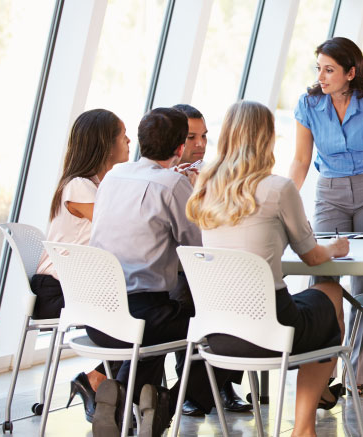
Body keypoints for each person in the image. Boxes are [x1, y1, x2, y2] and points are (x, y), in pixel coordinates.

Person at [187, 100, 350, 437]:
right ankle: (304, 426)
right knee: (330, 293)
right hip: (271, 331)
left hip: (217, 335)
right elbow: (312, 256)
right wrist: (336, 247)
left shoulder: (204, 187)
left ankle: (315, 398)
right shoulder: (278, 188)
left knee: (310, 308)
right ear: (267, 138)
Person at [89, 107, 231, 436]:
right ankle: (166, 400)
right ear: (180, 147)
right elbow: (199, 247)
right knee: (228, 326)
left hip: (97, 316)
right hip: (142, 318)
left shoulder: (113, 176)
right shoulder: (170, 183)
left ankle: (122, 397)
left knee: (164, 321)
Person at [288, 36, 363, 393]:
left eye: (329, 70)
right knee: (322, 278)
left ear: (350, 72)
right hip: (331, 192)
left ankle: (356, 376)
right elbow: (301, 160)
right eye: (319, 69)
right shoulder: (309, 104)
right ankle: (320, 374)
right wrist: (281, 201)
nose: (321, 76)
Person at [30, 108, 128, 422]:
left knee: (146, 316)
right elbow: (117, 230)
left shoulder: (89, 186)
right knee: (146, 319)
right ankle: (103, 386)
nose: (128, 140)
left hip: (70, 288)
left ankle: (103, 385)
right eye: (121, 135)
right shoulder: (79, 186)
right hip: (56, 292)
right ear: (105, 144)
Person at [172, 103, 251, 415]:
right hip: (176, 269)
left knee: (240, 293)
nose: (201, 144)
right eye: (192, 137)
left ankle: (224, 382)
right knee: (186, 296)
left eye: (204, 136)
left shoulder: (216, 173)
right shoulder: (163, 177)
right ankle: (191, 387)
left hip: (214, 264)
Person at [172, 104, 207, 168]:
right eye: (191, 137)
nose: (201, 144)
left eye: (203, 135)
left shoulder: (208, 172)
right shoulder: (154, 175)